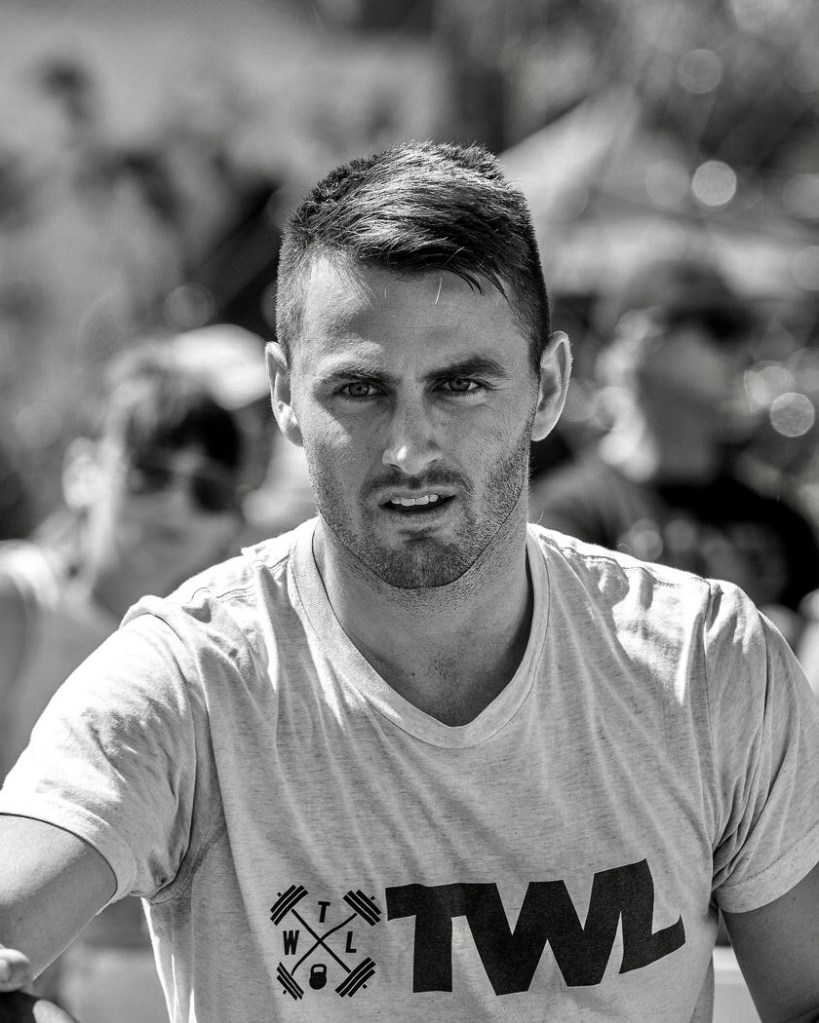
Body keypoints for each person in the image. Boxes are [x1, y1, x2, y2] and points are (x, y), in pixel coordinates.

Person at [1, 141, 819, 1023]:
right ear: (284, 394)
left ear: (548, 386)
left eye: (460, 384)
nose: (409, 449)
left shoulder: (703, 664)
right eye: (359, 389)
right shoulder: (188, 683)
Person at [0, 343, 246, 1022]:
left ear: (231, 521)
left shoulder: (231, 653)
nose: (175, 503)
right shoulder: (17, 602)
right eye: (151, 472)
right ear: (83, 472)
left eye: (207, 489)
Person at [529, 257, 819, 644]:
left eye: (743, 329)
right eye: (720, 327)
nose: (743, 349)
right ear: (640, 335)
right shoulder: (563, 516)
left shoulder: (782, 520)